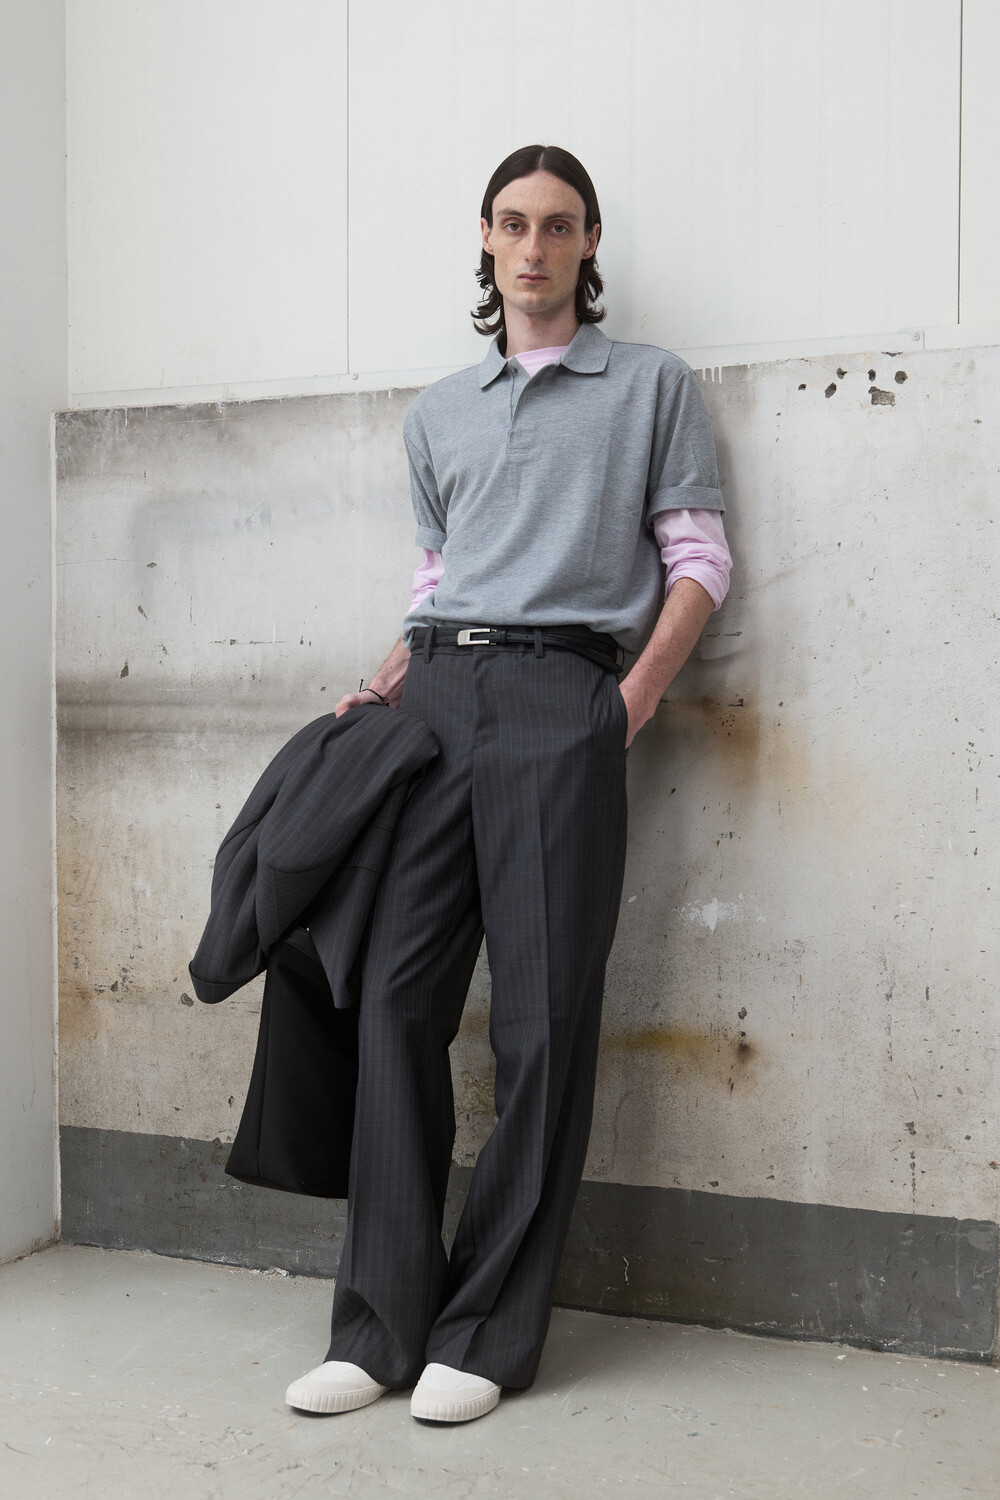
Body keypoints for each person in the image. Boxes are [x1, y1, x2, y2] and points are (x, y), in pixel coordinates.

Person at [285, 144, 731, 1424]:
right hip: (432, 700)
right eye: (513, 224)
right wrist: (383, 686)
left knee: (540, 1021)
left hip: (561, 699)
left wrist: (623, 705)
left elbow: (699, 558)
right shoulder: (440, 410)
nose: (534, 247)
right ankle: (379, 1327)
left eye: (559, 225)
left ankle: (484, 1333)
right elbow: (438, 578)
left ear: (589, 245)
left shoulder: (649, 386)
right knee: (391, 998)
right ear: (485, 240)